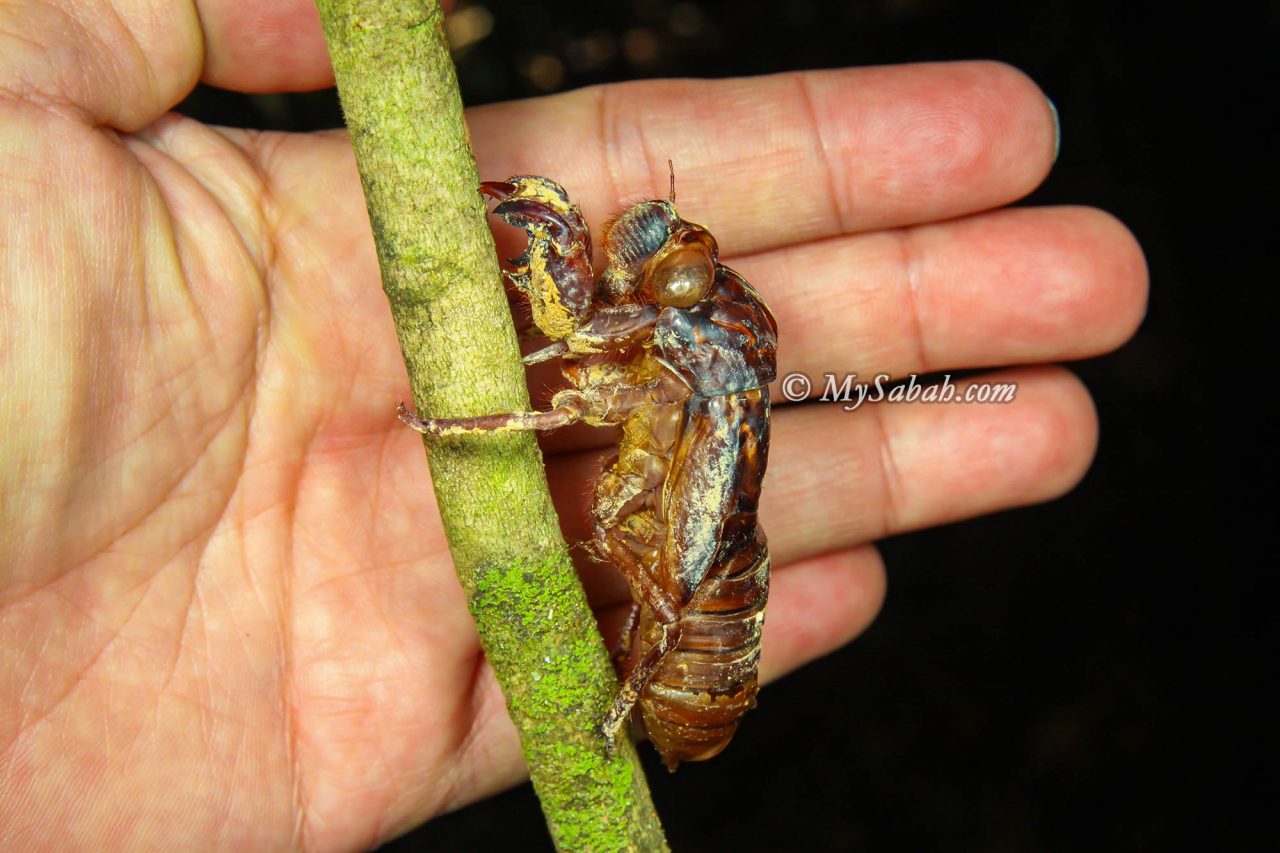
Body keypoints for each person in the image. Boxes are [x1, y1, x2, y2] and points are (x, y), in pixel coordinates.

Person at [0, 2, 1147, 848]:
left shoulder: (683, 363)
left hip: (690, 632)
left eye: (679, 282)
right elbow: (590, 353)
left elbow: (582, 379)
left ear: (699, 326)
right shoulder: (681, 349)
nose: (655, 282)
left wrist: (529, 407)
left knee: (664, 556)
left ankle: (641, 682)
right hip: (693, 560)